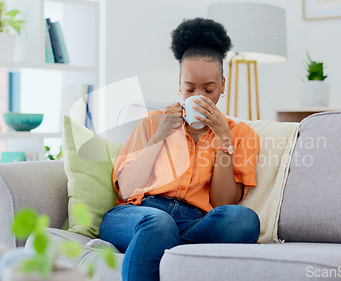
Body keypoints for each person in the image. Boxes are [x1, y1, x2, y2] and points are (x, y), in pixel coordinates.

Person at [99, 17, 260, 281]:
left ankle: (163, 245)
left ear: (222, 85)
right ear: (179, 85)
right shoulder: (153, 122)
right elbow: (126, 190)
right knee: (158, 224)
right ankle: (168, 243)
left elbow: (222, 203)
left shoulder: (240, 134)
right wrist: (160, 135)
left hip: (193, 221)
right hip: (139, 214)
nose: (200, 96)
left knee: (244, 219)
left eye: (209, 89)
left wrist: (223, 140)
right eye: (190, 89)